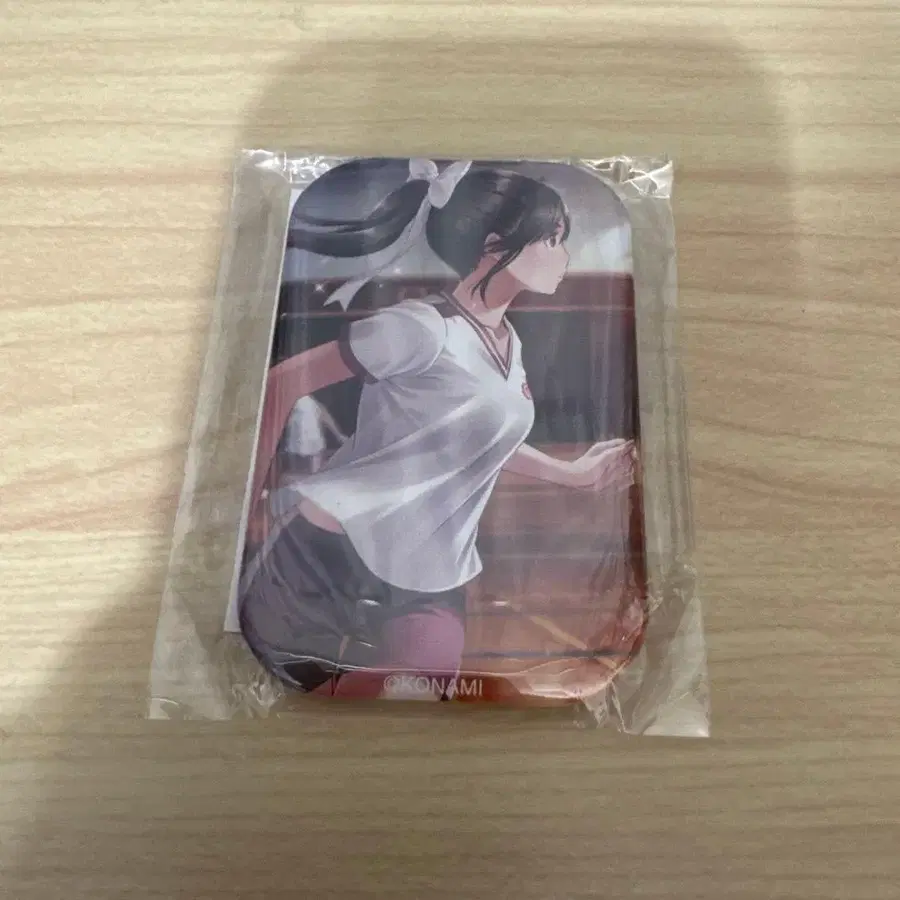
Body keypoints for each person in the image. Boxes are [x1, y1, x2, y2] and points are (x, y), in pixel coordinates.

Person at [238, 159, 636, 699]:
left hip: (432, 573)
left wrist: (573, 475)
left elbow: (475, 443)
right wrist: (246, 510)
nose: (563, 255)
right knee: (322, 705)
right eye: (552, 238)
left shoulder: (507, 341)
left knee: (423, 697)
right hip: (330, 551)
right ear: (494, 247)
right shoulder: (420, 328)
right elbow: (283, 384)